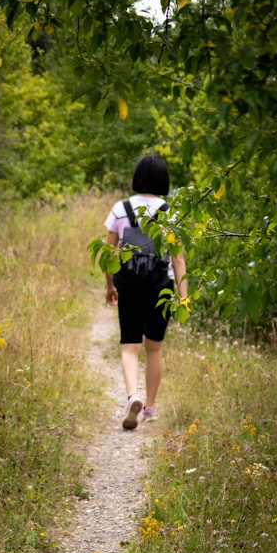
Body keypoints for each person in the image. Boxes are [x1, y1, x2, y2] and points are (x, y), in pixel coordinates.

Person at [104, 154, 188, 430]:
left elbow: (109, 253)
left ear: (137, 178)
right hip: (159, 287)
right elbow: (178, 259)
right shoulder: (170, 212)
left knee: (129, 347)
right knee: (154, 349)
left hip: (129, 286)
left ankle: (132, 397)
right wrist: (183, 297)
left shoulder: (121, 208)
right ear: (164, 180)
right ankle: (150, 407)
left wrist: (110, 285)